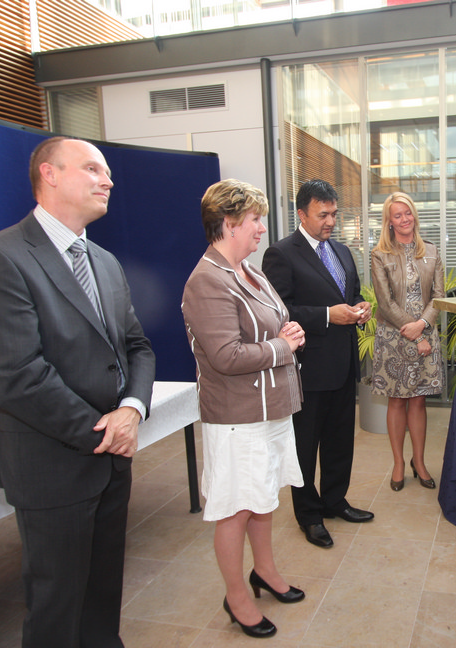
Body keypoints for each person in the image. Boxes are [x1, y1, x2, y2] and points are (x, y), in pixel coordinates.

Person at [0, 136, 156, 648]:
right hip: (53, 464)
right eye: (92, 169)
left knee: (101, 596)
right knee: (57, 608)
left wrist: (131, 410)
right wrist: (105, 433)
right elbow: (16, 374)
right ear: (49, 174)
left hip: (112, 460)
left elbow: (137, 347)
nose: (108, 180)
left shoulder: (105, 262)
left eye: (106, 172)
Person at [181, 179, 306, 639]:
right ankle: (236, 597)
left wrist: (287, 334)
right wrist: (282, 346)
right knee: (236, 507)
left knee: (263, 495)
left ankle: (265, 571)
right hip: (237, 417)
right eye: (255, 219)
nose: (261, 228)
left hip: (269, 408)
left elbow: (274, 323)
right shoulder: (206, 280)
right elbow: (226, 356)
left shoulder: (249, 270)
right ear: (229, 222)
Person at [262, 179, 374, 548]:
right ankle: (309, 515)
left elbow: (351, 293)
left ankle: (335, 501)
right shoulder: (281, 254)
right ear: (301, 213)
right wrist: (327, 315)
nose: (331, 222)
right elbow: (279, 312)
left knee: (340, 441)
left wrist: (359, 308)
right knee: (305, 447)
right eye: (323, 215)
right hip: (308, 370)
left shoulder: (341, 251)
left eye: (334, 214)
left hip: (343, 364)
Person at [370, 191, 445, 491]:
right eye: (397, 215)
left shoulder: (432, 252)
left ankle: (420, 462)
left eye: (408, 213)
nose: (404, 219)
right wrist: (413, 331)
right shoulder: (380, 255)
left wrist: (422, 327)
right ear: (389, 222)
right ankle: (399, 463)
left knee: (418, 400)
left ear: (414, 214)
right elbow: (385, 302)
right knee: (397, 400)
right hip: (393, 336)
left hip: (426, 331)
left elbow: (439, 297)